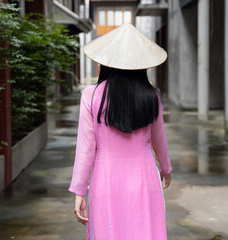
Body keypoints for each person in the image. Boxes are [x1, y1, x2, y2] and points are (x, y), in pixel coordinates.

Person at [68, 23, 172, 240]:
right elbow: (159, 139)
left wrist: (79, 189)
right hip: (145, 180)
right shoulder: (152, 96)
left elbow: (86, 149)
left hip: (105, 182)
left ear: (107, 61)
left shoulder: (91, 96)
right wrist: (166, 168)